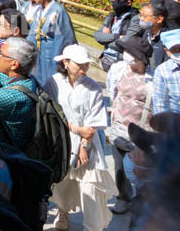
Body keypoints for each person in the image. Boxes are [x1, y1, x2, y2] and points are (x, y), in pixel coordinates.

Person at [45, 44, 116, 231]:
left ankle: (92, 226)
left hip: (89, 144)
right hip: (61, 140)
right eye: (80, 65)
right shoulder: (53, 82)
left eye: (86, 65)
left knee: (91, 187)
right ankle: (63, 211)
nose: (84, 69)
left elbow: (94, 122)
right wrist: (75, 129)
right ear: (66, 62)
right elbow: (52, 112)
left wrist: (84, 144)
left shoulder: (93, 87)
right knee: (62, 182)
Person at [106, 36, 154, 216]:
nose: (125, 55)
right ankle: (123, 198)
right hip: (120, 127)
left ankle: (142, 201)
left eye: (129, 52)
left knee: (141, 170)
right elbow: (112, 91)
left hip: (142, 132)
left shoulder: (152, 78)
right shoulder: (118, 70)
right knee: (119, 168)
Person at [27, 0, 76, 88]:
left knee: (51, 83)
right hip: (38, 53)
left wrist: (57, 60)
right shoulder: (39, 9)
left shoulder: (58, 11)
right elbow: (32, 31)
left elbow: (63, 38)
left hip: (51, 54)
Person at [94, 0, 142, 71]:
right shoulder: (112, 16)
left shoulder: (135, 19)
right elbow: (97, 36)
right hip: (106, 60)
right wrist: (116, 37)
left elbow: (126, 43)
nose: (114, 2)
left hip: (123, 64)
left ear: (129, 2)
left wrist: (107, 38)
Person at [151, 28, 180, 115]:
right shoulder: (163, 71)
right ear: (166, 51)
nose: (179, 52)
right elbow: (160, 105)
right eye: (175, 50)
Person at [140, 0, 168, 71]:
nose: (141, 19)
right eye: (140, 15)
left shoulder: (167, 40)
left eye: (145, 16)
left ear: (159, 19)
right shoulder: (146, 32)